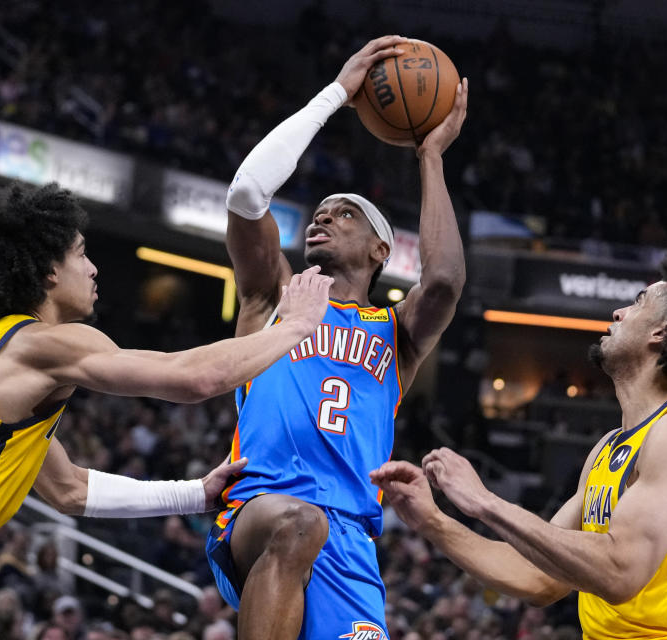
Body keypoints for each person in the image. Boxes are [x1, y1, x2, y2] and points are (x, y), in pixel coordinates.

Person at [0, 181, 333, 635]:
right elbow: (194, 377)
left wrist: (195, 493)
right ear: (49, 270)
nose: (95, 268)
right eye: (81, 253)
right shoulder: (44, 344)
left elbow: (69, 489)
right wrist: (293, 328)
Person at [205, 36, 469, 639]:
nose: (324, 216)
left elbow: (446, 281)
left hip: (351, 535)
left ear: (381, 251)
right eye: (321, 211)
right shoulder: (274, 296)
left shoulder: (394, 334)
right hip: (261, 506)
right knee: (298, 524)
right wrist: (335, 96)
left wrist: (431, 157)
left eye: (344, 212)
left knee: (312, 530)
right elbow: (247, 194)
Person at [371, 244, 667, 639]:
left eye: (638, 301)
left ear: (661, 333)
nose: (619, 312)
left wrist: (486, 502)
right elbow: (537, 577)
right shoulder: (609, 448)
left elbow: (620, 571)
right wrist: (433, 521)